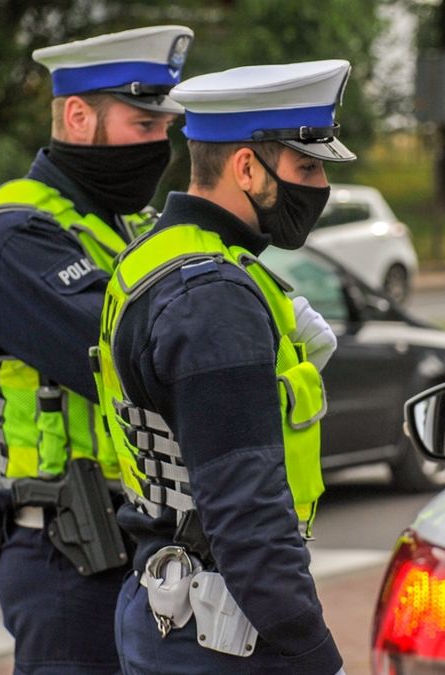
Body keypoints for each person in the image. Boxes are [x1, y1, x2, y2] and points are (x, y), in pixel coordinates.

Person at [93, 60, 355, 674]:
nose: (319, 187)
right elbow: (247, 515)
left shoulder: (158, 256)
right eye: (307, 168)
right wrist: (315, 656)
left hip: (171, 604)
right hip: (219, 634)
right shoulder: (212, 298)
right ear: (246, 168)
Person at [0, 25, 193, 675]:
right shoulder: (15, 237)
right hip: (70, 552)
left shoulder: (126, 227)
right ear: (79, 117)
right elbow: (128, 359)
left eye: (166, 129)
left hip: (138, 542)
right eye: (144, 125)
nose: (160, 146)